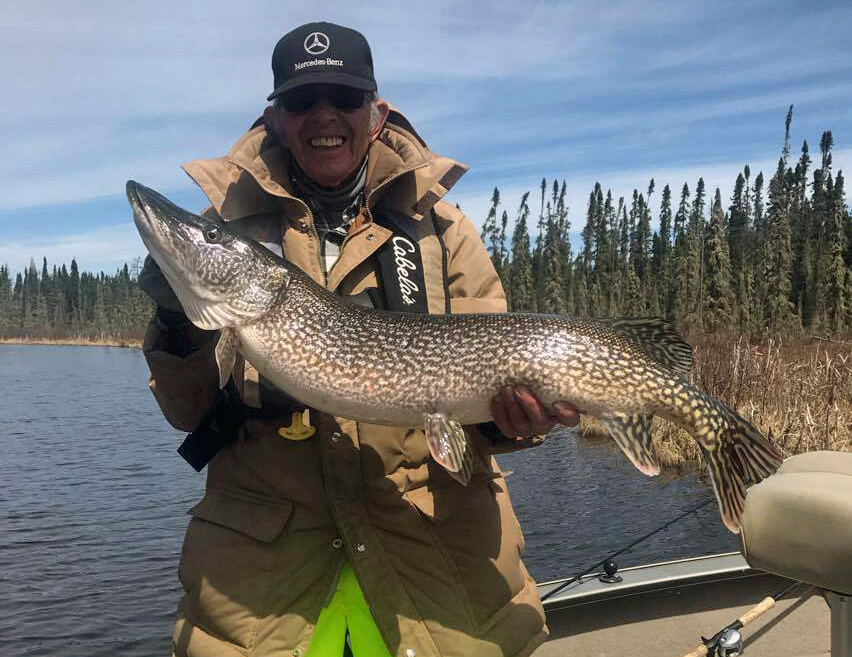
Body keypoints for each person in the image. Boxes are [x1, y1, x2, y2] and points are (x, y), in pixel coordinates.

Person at [140, 21, 579, 657]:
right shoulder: (231, 229)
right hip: (265, 584)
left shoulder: (442, 228)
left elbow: (491, 397)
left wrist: (513, 424)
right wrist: (179, 321)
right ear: (277, 116)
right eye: (301, 100)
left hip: (435, 560)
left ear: (375, 112)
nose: (325, 116)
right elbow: (187, 412)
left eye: (344, 99)